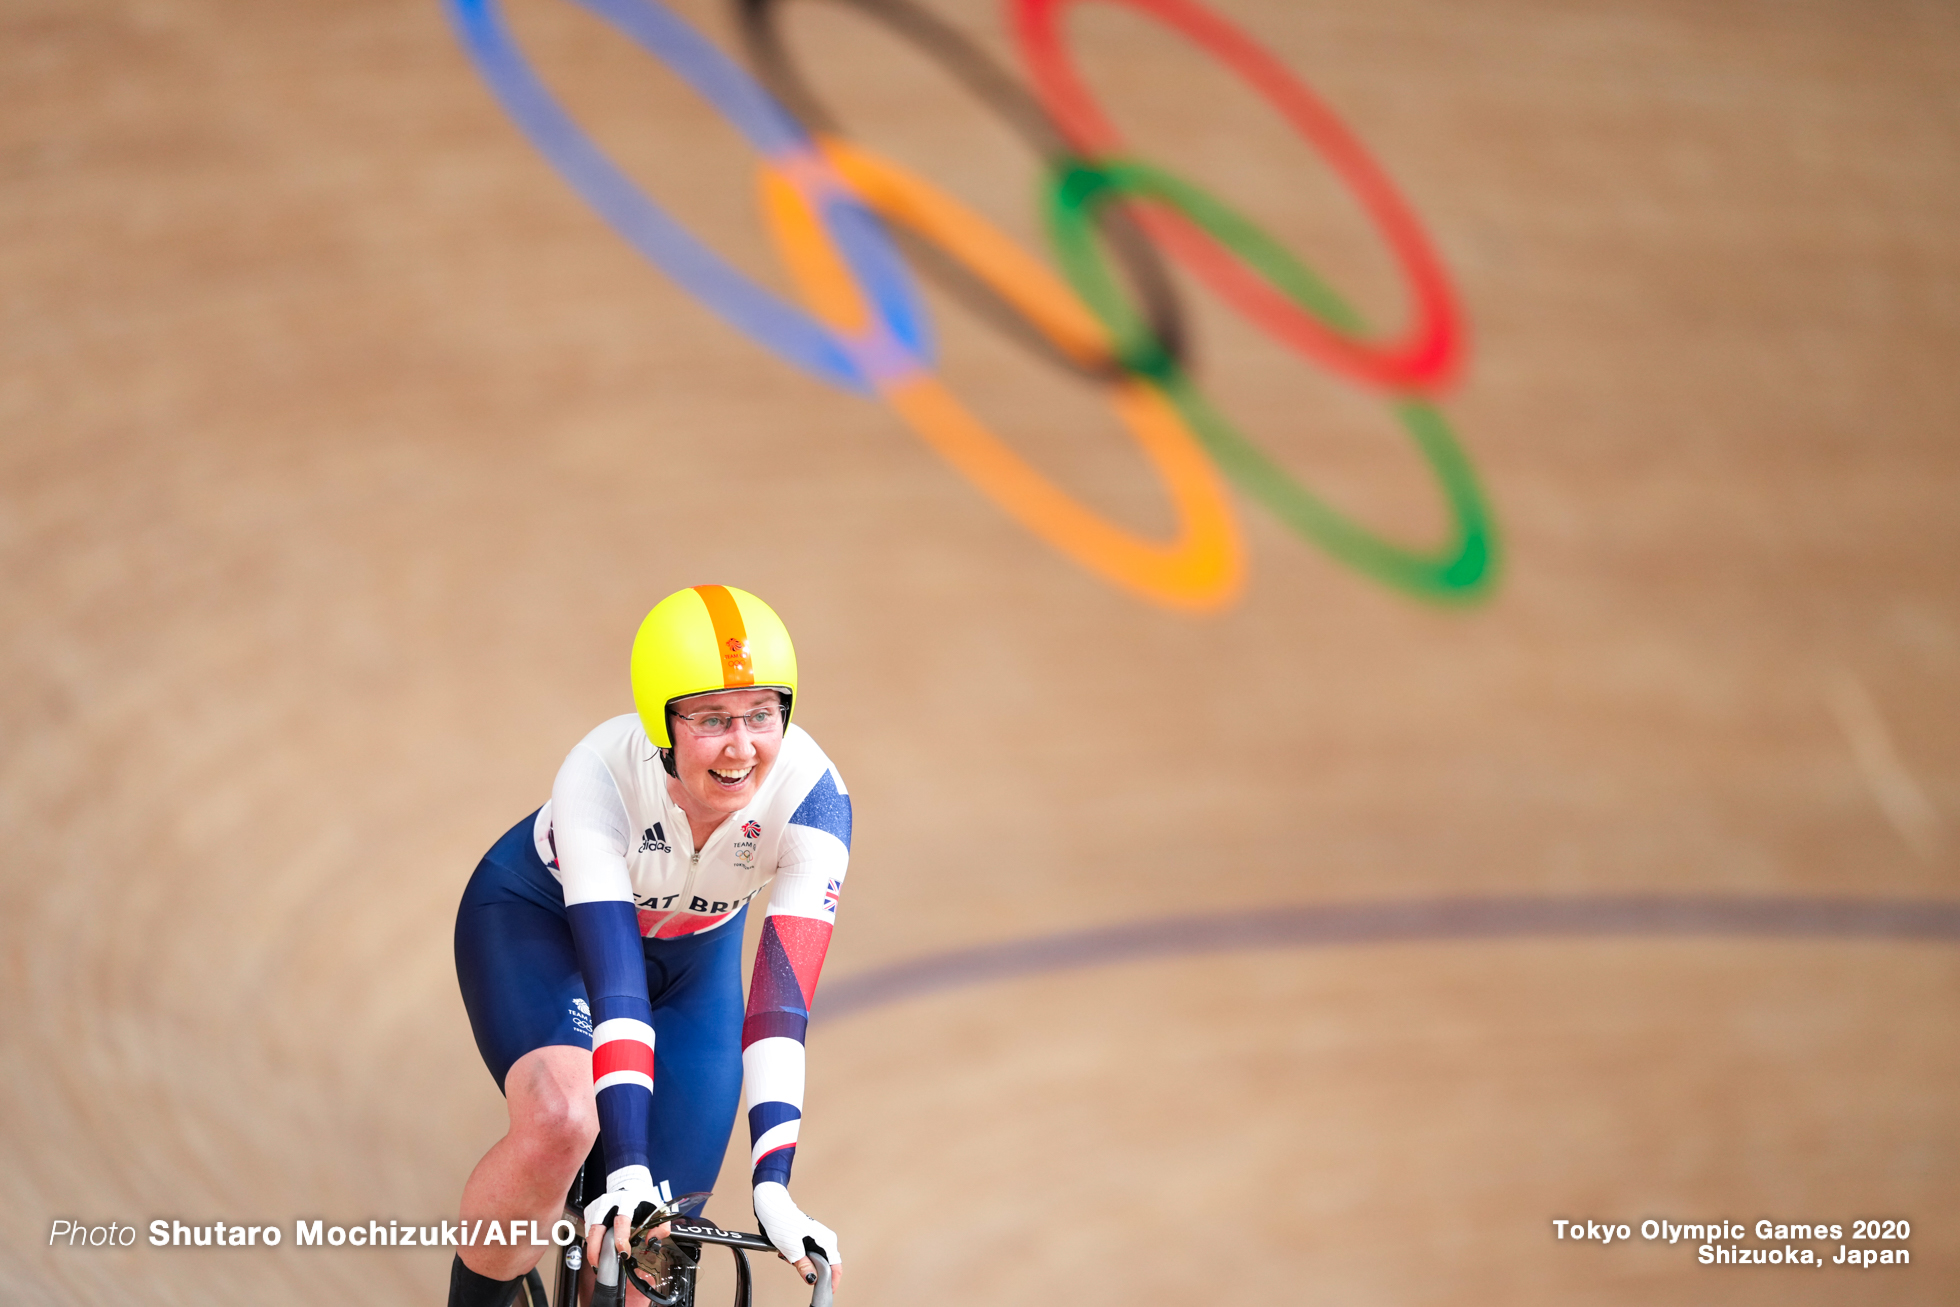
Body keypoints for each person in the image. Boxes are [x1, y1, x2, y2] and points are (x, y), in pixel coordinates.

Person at [449, 585, 851, 1306]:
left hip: (698, 965)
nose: (741, 746)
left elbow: (778, 1015)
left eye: (763, 713)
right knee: (564, 1118)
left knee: (657, 1246)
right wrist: (626, 1164)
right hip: (545, 927)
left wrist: (773, 1187)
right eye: (712, 719)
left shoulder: (815, 799)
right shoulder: (599, 774)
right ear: (659, 721)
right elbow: (618, 993)